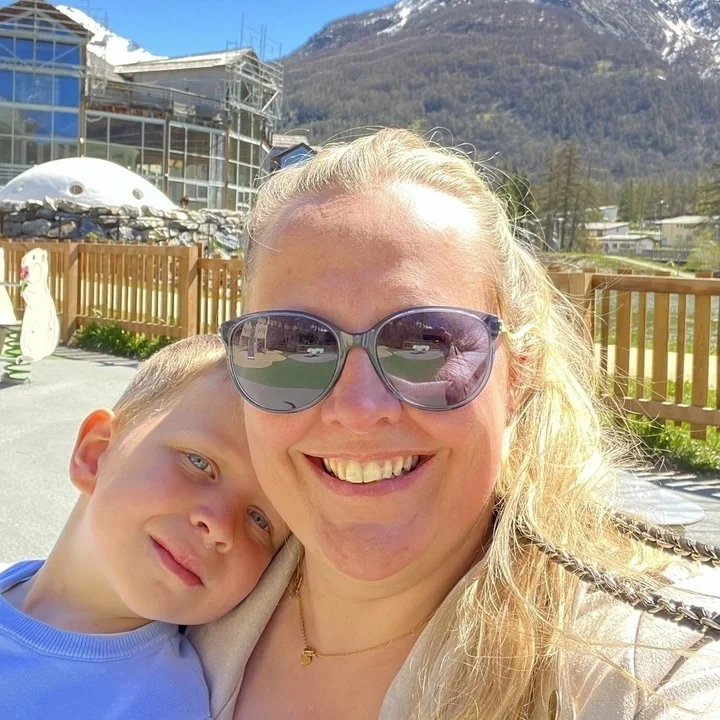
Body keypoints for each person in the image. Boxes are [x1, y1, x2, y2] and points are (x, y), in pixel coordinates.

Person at [190, 129, 720, 719]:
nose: (358, 410)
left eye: (425, 343)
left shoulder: (649, 663)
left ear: (518, 376)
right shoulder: (186, 588)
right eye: (295, 344)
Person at [0, 335, 287, 719]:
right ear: (95, 454)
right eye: (199, 462)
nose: (220, 526)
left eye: (260, 520)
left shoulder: (159, 705)